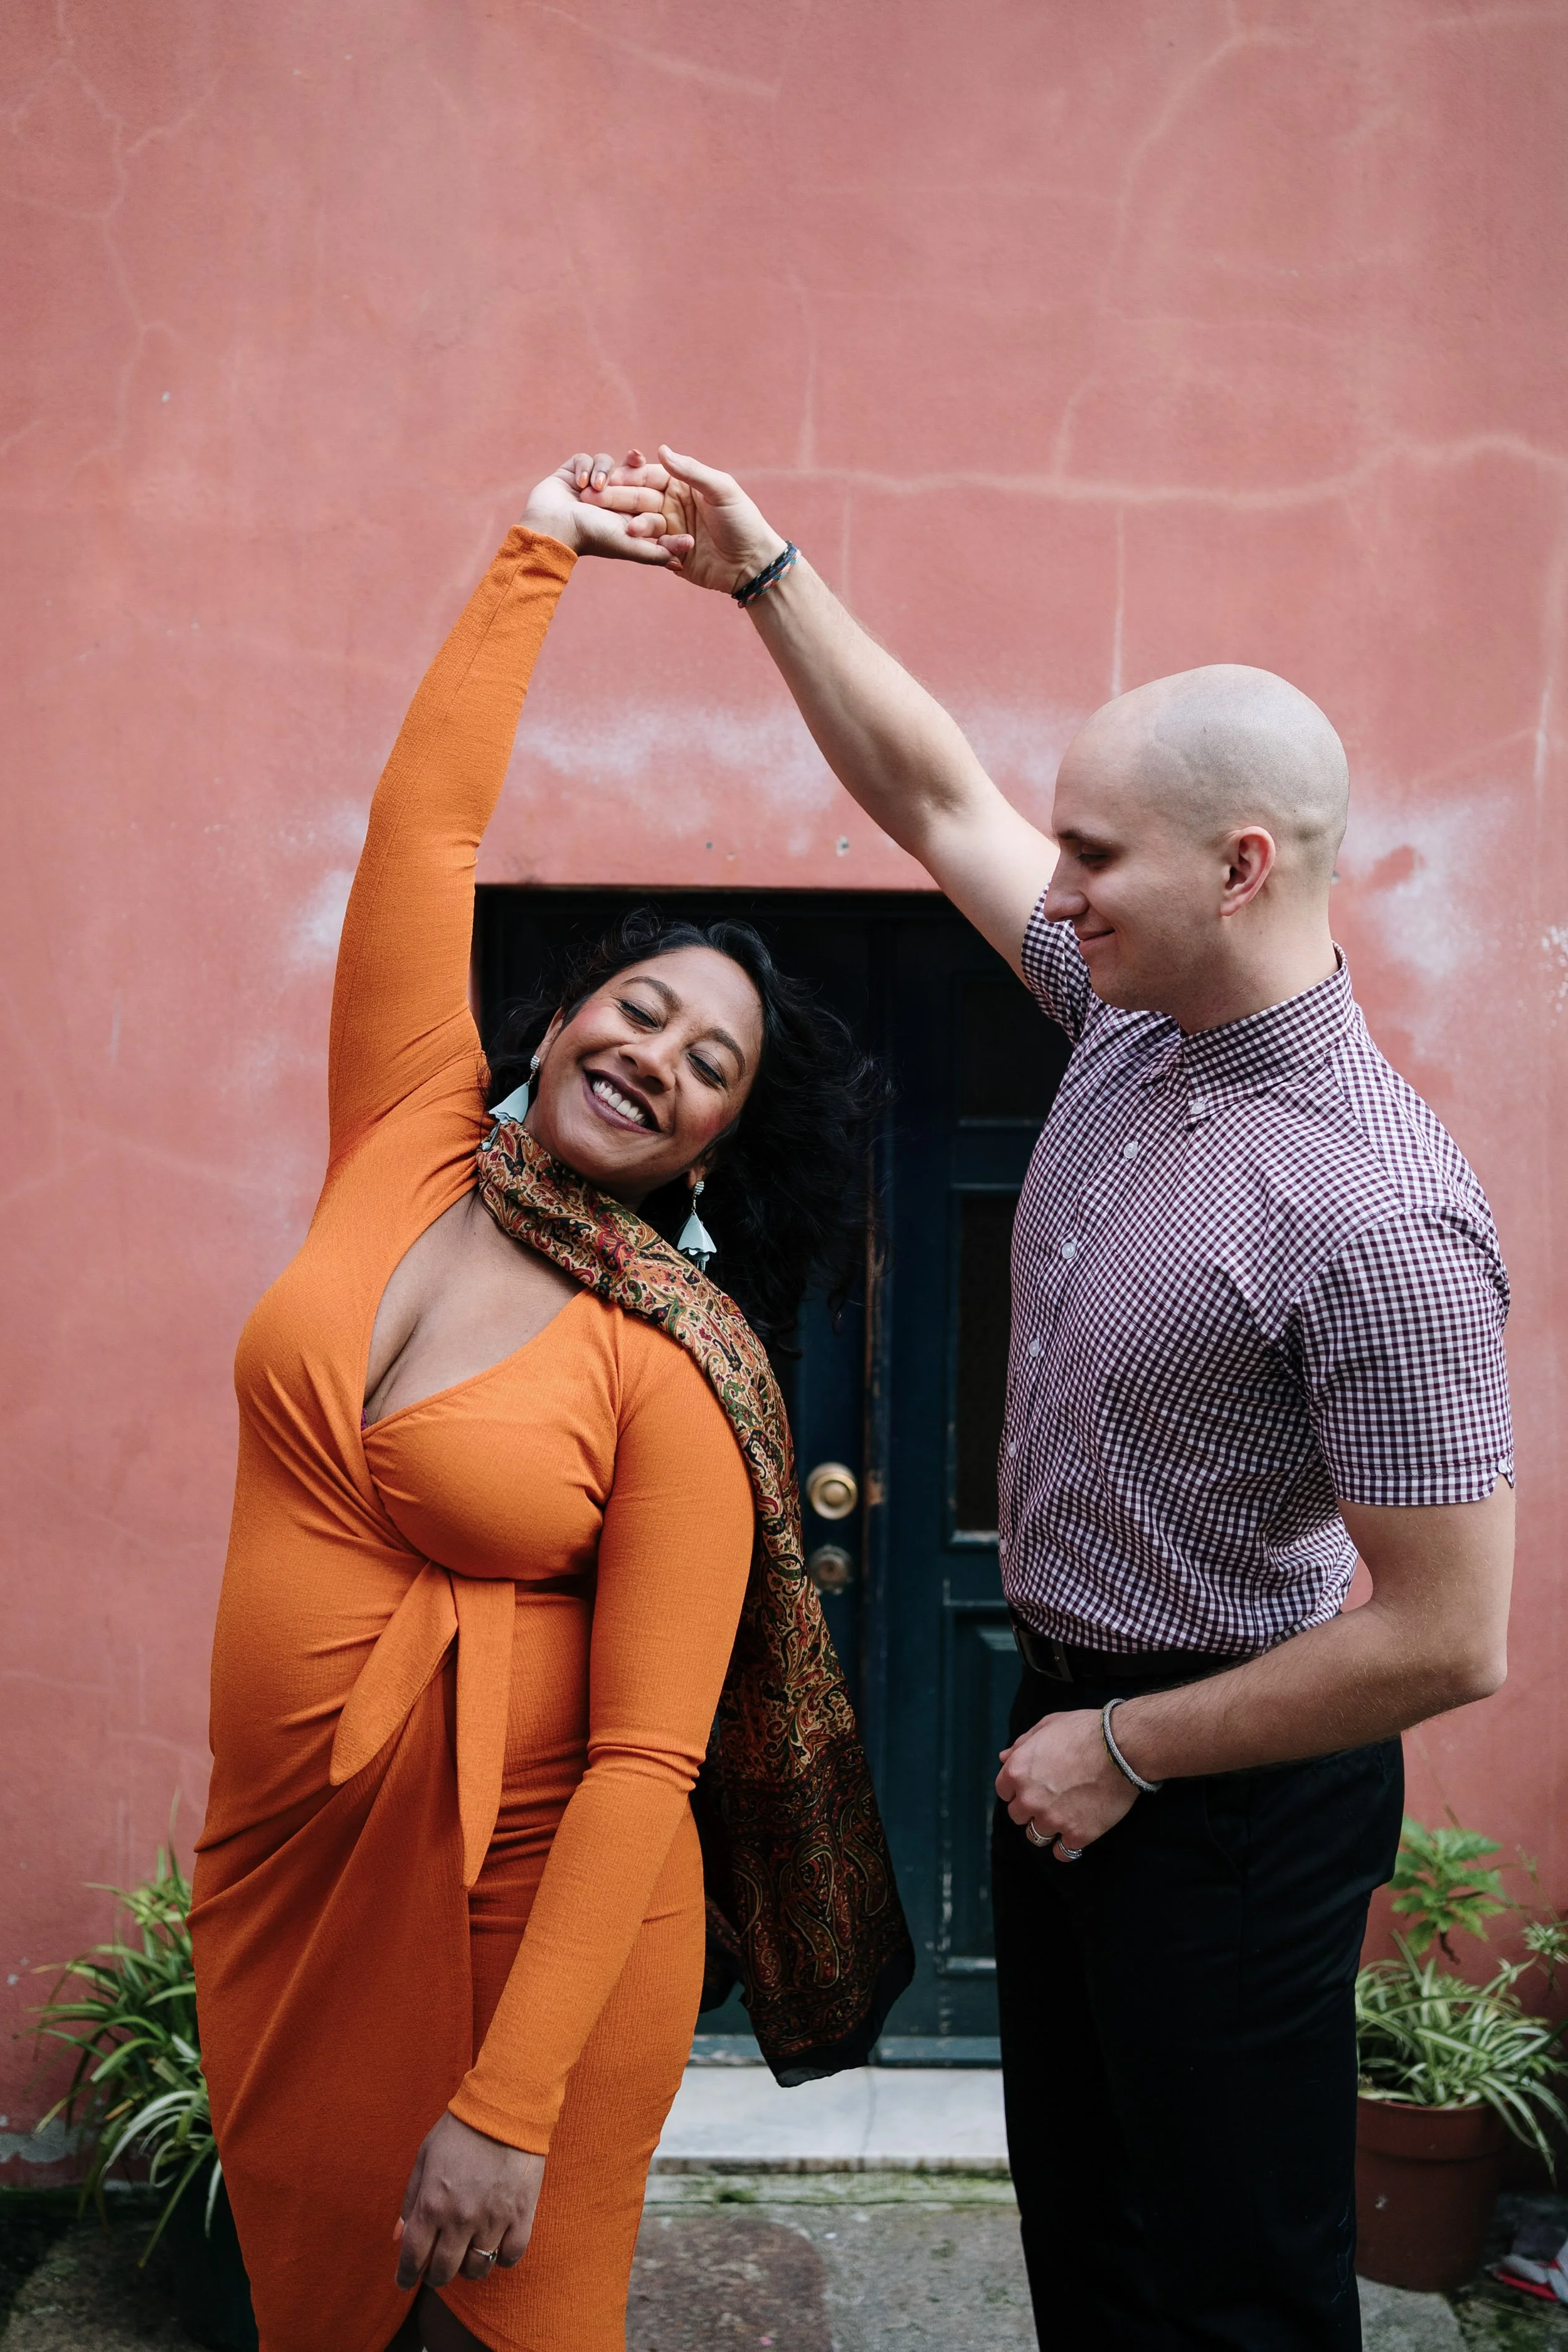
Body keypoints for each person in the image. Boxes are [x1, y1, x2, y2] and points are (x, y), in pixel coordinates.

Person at [583, 448, 1517, 2349]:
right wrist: (759, 568)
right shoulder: (1119, 1016)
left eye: (1094, 852)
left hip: (1229, 1790)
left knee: (1235, 2289)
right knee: (1087, 2255)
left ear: (1240, 865)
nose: (1054, 877)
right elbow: (933, 791)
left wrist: (1140, 1751)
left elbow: (1449, 1636)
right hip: (1066, 1726)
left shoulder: (1378, 1209)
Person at [189, 452, 912, 2352]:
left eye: (708, 1063)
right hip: (290, 1890)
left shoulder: (672, 1357)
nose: (654, 1053)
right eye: (640, 1008)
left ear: (719, 1144)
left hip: (525, 1931)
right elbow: (422, 833)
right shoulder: (406, 1138)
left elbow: (642, 1770)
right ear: (565, 1015)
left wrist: (505, 2108)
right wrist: (538, 554)